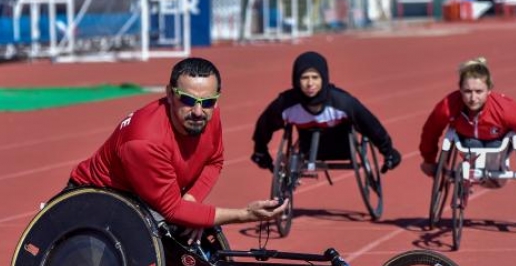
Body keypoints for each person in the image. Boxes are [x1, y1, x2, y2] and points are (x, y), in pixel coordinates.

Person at [69, 57, 287, 238]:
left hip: (149, 199)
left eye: (208, 101)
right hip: (97, 200)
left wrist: (191, 204)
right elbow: (172, 210)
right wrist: (246, 214)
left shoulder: (209, 117)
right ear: (170, 94)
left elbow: (214, 161)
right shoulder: (144, 141)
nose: (199, 111)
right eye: (188, 100)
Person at [250, 51, 402, 174]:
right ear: (296, 80)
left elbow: (370, 124)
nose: (310, 83)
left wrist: (388, 151)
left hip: (340, 143)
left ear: (324, 79)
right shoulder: (286, 104)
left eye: (315, 77)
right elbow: (265, 125)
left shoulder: (342, 102)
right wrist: (260, 151)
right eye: (304, 78)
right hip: (307, 146)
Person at [419, 57, 516, 184]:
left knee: (493, 150)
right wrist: (429, 160)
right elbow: (430, 131)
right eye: (467, 91)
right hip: (467, 142)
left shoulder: (506, 109)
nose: (473, 98)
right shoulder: (447, 107)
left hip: (498, 143)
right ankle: (468, 181)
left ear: (489, 90)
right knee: (472, 143)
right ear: (460, 90)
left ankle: (486, 173)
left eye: (479, 91)